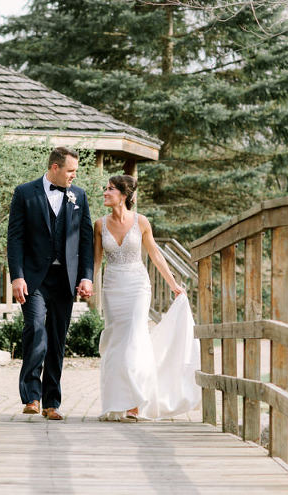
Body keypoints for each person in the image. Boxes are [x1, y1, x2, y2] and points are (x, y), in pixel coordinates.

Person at [94, 175, 200, 421]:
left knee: (134, 338)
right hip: (112, 287)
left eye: (110, 189)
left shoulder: (141, 222)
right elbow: (97, 260)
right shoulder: (99, 224)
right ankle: (115, 402)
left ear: (123, 195)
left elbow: (155, 255)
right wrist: (88, 282)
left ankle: (135, 402)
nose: (105, 192)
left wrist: (173, 284)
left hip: (137, 286)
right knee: (115, 341)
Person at [7, 146, 94, 420]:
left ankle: (51, 403)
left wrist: (86, 276)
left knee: (57, 339)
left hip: (65, 279)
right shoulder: (24, 193)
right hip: (34, 278)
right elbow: (15, 237)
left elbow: (86, 239)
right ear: (54, 168)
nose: (73, 176)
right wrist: (17, 276)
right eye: (70, 171)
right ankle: (31, 396)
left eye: (75, 172)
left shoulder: (78, 195)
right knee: (35, 328)